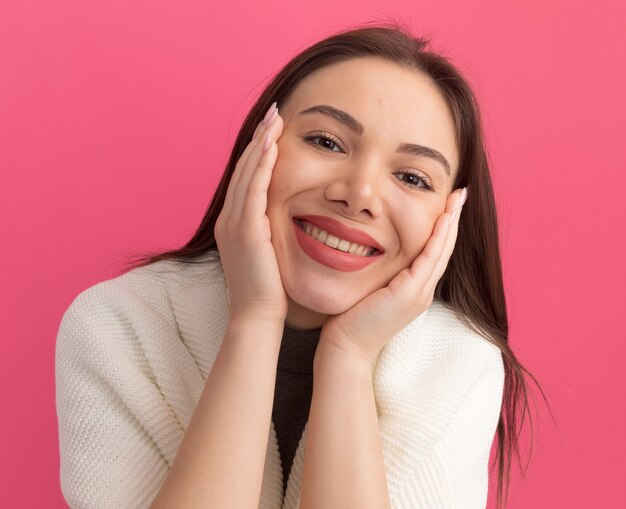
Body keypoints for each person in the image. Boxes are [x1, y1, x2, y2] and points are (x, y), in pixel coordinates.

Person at [55, 22, 539, 509]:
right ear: (258, 145)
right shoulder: (118, 326)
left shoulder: (456, 362)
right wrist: (254, 320)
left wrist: (348, 357)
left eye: (413, 177)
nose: (358, 195)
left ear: (450, 215)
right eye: (327, 142)